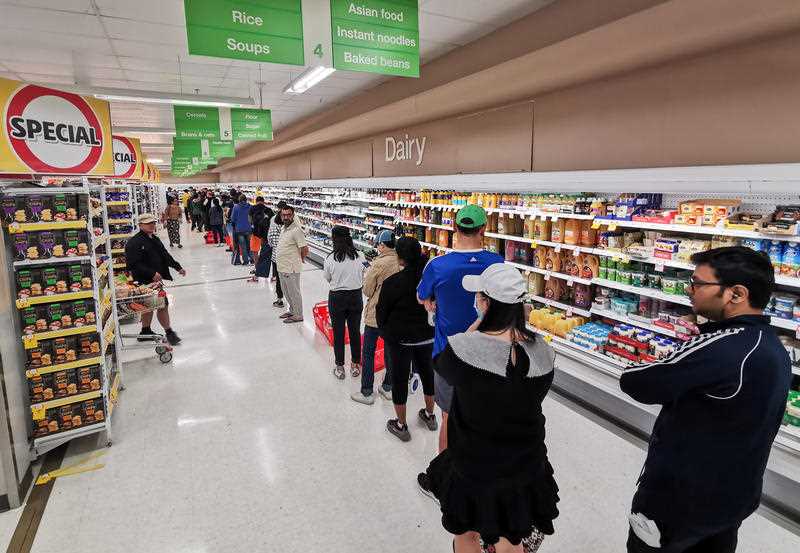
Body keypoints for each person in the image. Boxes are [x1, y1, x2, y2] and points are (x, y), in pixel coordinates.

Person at [620, 246, 791, 553]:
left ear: (735, 294)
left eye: (698, 283)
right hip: (732, 499)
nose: (690, 290)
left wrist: (682, 349)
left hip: (678, 502)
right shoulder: (772, 347)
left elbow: (637, 381)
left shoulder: (721, 346)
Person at [424, 263, 559, 553]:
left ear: (486, 304)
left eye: (479, 297)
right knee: (512, 538)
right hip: (526, 462)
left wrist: (476, 328)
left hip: (475, 464)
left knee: (467, 532)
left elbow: (442, 367)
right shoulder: (544, 353)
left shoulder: (465, 349)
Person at [416, 205, 504, 493]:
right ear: (483, 229)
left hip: (449, 356)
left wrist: (431, 302)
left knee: (448, 419)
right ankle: (480, 476)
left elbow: (422, 296)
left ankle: (444, 482)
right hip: (489, 356)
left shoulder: (437, 266)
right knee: (484, 417)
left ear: (454, 229)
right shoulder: (497, 264)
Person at [376, 237, 437, 442]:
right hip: (427, 337)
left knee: (400, 379)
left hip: (400, 340)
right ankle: (430, 415)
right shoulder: (431, 280)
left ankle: (401, 425)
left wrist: (386, 332)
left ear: (400, 259)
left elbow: (381, 313)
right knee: (428, 374)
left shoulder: (393, 283)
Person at [351, 229, 400, 405]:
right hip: (394, 314)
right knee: (390, 352)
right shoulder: (400, 261)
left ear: (381, 244)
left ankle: (366, 392)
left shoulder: (379, 264)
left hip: (376, 314)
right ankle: (387, 387)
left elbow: (367, 289)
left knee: (369, 352)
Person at [125, 213, 186, 346]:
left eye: (152, 222)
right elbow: (133, 264)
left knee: (150, 306)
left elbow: (165, 255)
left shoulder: (154, 239)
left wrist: (177, 267)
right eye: (148, 223)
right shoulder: (134, 243)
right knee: (161, 304)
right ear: (140, 225)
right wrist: (151, 273)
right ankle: (169, 332)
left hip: (155, 281)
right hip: (143, 281)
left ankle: (145, 331)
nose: (151, 225)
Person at [323, 226, 366, 380]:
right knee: (355, 331)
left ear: (334, 239)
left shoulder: (330, 258)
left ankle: (340, 366)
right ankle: (355, 364)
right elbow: (364, 274)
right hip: (355, 297)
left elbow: (327, 278)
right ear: (349, 238)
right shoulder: (360, 256)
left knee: (339, 332)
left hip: (337, 298)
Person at [275, 205, 308, 324]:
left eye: (289, 215)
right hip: (282, 266)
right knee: (286, 291)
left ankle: (298, 314)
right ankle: (292, 310)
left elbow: (304, 248)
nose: (286, 217)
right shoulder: (284, 228)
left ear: (293, 215)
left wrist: (301, 259)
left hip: (291, 267)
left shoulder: (296, 230)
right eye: (284, 215)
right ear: (280, 215)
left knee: (294, 292)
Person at [248, 197, 272, 282]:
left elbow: (250, 220)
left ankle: (257, 270)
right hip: (266, 236)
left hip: (255, 234)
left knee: (255, 252)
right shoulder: (268, 210)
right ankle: (270, 274)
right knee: (266, 254)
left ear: (256, 201)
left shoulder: (252, 208)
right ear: (263, 202)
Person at [267, 202, 287, 307]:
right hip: (287, 256)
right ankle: (290, 300)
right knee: (288, 278)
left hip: (276, 255)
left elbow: (270, 239)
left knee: (279, 278)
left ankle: (279, 299)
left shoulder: (273, 220)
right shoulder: (289, 222)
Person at [230, 194, 253, 265]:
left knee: (243, 246)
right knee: (250, 245)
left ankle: (245, 261)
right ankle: (252, 259)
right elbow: (252, 217)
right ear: (246, 199)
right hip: (248, 228)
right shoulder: (250, 207)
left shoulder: (236, 207)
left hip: (239, 230)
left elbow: (233, 219)